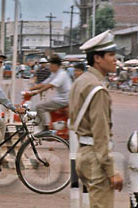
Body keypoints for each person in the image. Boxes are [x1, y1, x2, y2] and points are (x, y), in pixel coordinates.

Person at [69, 30, 123, 207]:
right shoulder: (97, 89)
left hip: (83, 153)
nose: (115, 59)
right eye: (111, 55)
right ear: (97, 58)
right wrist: (111, 170)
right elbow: (101, 134)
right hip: (96, 157)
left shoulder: (81, 81)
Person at [29, 54, 72, 133]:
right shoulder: (54, 74)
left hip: (64, 99)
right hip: (61, 98)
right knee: (42, 104)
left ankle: (45, 129)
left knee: (39, 107)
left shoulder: (61, 74)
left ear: (55, 65)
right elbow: (45, 83)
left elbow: (50, 85)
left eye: (50, 65)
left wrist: (36, 92)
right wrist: (31, 89)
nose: (49, 67)